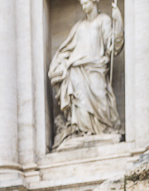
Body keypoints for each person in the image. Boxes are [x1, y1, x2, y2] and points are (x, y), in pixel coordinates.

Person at [48, 0, 124, 148]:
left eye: (86, 2)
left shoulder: (104, 20)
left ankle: (103, 129)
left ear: (94, 2)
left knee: (100, 99)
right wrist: (60, 65)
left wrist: (118, 21)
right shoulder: (79, 27)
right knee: (80, 103)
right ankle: (83, 131)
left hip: (96, 67)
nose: (83, 6)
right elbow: (66, 50)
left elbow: (113, 46)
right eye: (81, 3)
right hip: (76, 70)